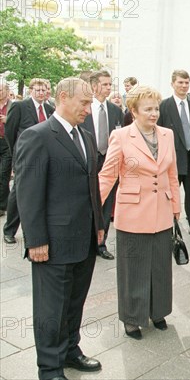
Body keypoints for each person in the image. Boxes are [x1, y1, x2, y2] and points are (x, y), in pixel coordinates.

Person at [14, 77, 104, 380]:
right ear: (63, 97)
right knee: (51, 309)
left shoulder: (86, 135)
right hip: (52, 242)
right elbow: (28, 194)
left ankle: (70, 351)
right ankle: (50, 368)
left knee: (74, 302)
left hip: (85, 238)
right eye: (84, 102)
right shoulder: (37, 136)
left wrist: (100, 225)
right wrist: (35, 240)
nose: (89, 109)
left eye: (90, 103)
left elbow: (92, 184)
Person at [98, 85, 181, 340]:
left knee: (160, 267)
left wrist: (176, 208)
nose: (154, 113)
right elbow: (108, 174)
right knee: (133, 268)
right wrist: (90, 209)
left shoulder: (167, 134)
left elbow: (172, 173)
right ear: (133, 111)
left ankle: (158, 312)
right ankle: (132, 319)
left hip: (162, 212)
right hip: (133, 213)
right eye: (148, 109)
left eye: (156, 108)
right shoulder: (121, 136)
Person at [158, 69, 190, 250]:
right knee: (167, 198)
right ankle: (166, 235)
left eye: (187, 82)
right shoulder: (163, 107)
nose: (184, 86)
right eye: (180, 82)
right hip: (172, 160)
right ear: (172, 84)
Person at [3, 78, 54, 244]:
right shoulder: (19, 106)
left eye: (44, 90)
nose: (41, 93)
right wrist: (16, 153)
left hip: (45, 157)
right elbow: (10, 131)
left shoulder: (50, 108)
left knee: (39, 193)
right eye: (37, 90)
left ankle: (31, 230)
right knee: (19, 193)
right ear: (31, 90)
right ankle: (9, 230)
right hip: (24, 157)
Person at [81, 70, 125, 260]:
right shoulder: (85, 107)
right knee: (87, 200)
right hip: (88, 160)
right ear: (94, 85)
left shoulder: (115, 111)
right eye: (105, 84)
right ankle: (85, 239)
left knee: (106, 204)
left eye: (110, 84)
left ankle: (101, 242)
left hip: (109, 160)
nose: (109, 87)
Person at [0, 82, 12, 217]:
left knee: (3, 174)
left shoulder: (13, 105)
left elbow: (16, 122)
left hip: (6, 142)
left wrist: (6, 119)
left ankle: (2, 205)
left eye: (1, 90)